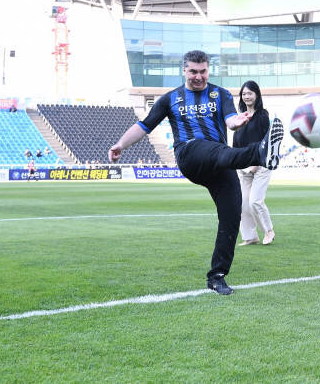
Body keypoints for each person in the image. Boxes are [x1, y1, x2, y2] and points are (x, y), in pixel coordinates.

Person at [108, 50, 284, 295]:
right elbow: (144, 126)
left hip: (220, 160)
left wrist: (238, 122)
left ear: (208, 71)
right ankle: (260, 153)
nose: (198, 76)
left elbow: (230, 119)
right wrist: (120, 144)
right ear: (184, 70)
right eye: (193, 71)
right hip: (190, 154)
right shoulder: (170, 99)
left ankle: (217, 276)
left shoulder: (220, 94)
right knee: (215, 150)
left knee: (231, 216)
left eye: (203, 71)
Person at [233, 81, 276, 246]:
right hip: (243, 166)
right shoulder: (241, 116)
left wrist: (256, 163)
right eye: (244, 94)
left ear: (257, 95)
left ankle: (269, 231)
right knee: (243, 203)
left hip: (261, 165)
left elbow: (266, 141)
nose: (247, 96)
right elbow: (236, 141)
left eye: (250, 93)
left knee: (255, 201)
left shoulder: (263, 116)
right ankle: (250, 237)